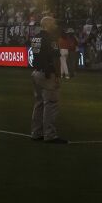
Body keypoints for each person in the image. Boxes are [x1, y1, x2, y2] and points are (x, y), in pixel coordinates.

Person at [31, 16, 67, 144]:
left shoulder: (35, 38)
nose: (55, 25)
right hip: (47, 74)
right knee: (50, 104)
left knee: (39, 103)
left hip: (36, 72)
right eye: (53, 23)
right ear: (48, 25)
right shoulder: (51, 38)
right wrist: (57, 75)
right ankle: (49, 134)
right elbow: (55, 58)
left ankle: (36, 132)